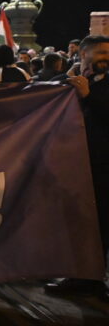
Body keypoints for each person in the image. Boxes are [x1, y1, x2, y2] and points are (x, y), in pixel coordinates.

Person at [48, 35, 109, 298]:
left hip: (102, 167)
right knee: (79, 223)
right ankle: (81, 276)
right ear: (84, 54)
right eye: (102, 52)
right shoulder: (69, 81)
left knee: (99, 224)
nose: (107, 57)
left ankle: (92, 278)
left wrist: (88, 96)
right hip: (74, 164)